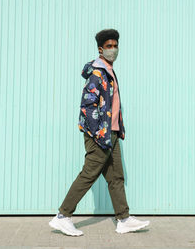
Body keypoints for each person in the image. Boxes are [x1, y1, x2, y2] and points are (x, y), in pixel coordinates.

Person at [49, 29, 150, 236]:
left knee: (116, 177)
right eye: (109, 46)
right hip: (100, 135)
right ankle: (63, 216)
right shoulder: (97, 73)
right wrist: (98, 133)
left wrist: (116, 129)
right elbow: (87, 106)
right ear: (100, 49)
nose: (113, 49)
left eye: (116, 45)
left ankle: (123, 219)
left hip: (111, 133)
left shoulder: (109, 70)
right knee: (89, 174)